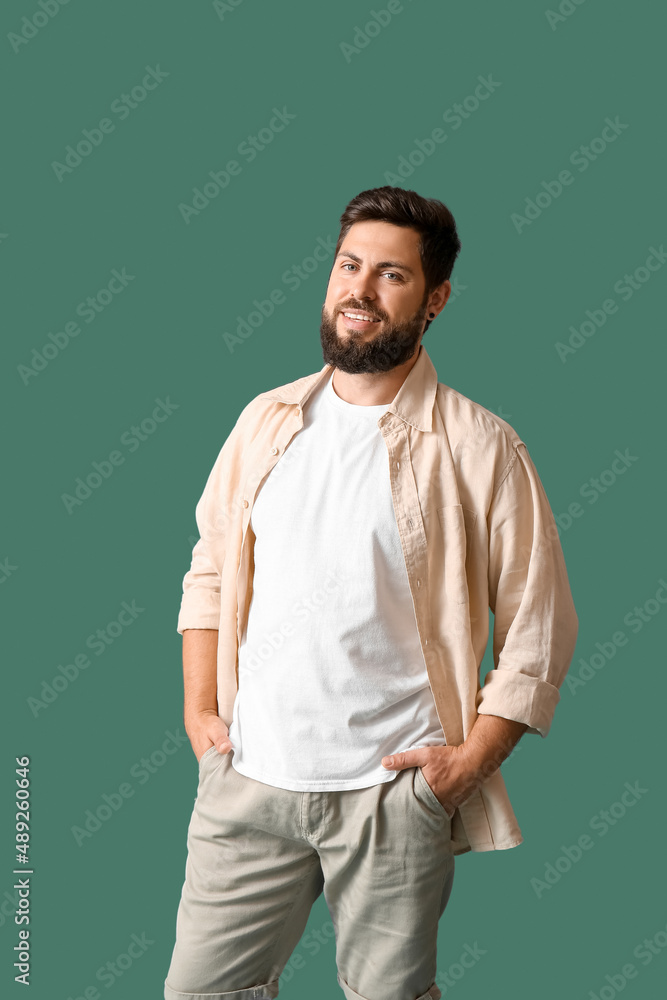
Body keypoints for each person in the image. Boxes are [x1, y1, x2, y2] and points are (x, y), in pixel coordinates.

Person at [163, 185, 579, 1000]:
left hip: (392, 793)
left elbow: (538, 626)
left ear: (435, 300)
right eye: (348, 265)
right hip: (248, 778)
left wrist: (462, 768)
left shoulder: (480, 446)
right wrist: (200, 716)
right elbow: (209, 570)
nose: (357, 290)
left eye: (390, 275)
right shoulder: (264, 421)